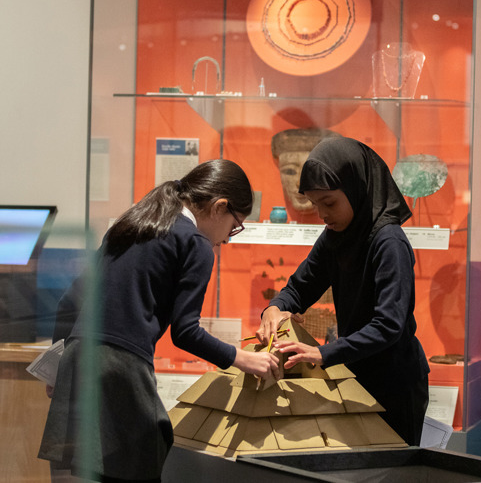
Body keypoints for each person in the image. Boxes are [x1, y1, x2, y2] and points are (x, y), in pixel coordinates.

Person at [39, 159, 280, 482]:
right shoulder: (195, 244)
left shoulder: (134, 223)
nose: (228, 238)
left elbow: (68, 300)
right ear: (219, 207)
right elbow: (186, 332)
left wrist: (56, 367)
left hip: (77, 360)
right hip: (119, 367)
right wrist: (244, 359)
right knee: (148, 454)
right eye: (235, 225)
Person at [257, 136, 430, 446]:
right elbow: (299, 288)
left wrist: (323, 352)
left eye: (329, 203)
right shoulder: (335, 236)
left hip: (395, 383)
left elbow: (388, 325)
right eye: (315, 203)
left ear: (356, 187)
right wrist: (274, 308)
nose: (321, 213)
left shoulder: (389, 242)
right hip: (354, 376)